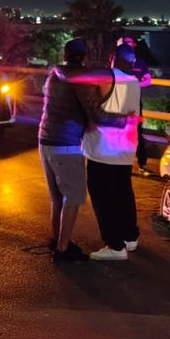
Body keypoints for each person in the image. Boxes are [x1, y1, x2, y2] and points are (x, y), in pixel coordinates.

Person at [77, 43, 143, 261]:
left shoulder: (109, 76)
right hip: (126, 148)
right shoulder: (134, 82)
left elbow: (82, 79)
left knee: (103, 199)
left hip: (103, 150)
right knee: (124, 193)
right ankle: (130, 237)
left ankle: (114, 246)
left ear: (113, 58)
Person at [38, 38, 100, 262]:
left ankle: (56, 239)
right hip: (65, 144)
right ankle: (63, 250)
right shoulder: (80, 80)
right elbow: (94, 111)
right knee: (73, 198)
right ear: (84, 57)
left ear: (65, 55)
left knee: (57, 198)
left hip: (45, 140)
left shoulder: (54, 75)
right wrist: (125, 119)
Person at [116, 35, 155, 176]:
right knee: (118, 131)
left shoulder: (139, 63)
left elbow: (148, 80)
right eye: (126, 44)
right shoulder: (116, 64)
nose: (130, 46)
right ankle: (119, 163)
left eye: (132, 44)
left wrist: (134, 85)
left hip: (135, 102)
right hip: (118, 102)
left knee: (136, 132)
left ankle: (142, 164)